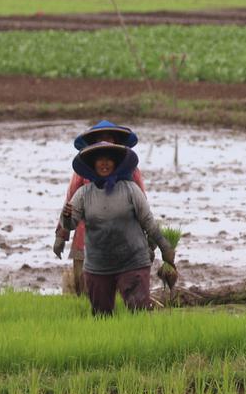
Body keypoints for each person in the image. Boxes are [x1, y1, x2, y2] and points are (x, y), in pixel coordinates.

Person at [59, 141, 175, 316]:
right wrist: (66, 217)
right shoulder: (84, 194)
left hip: (133, 261)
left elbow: (148, 221)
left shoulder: (130, 190)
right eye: (100, 160)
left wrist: (165, 248)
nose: (104, 163)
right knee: (101, 316)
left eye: (109, 160)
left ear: (116, 164)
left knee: (139, 313)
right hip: (98, 265)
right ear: (93, 164)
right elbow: (71, 224)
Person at [53, 121, 147, 295]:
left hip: (123, 240)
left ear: (117, 144)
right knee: (86, 288)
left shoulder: (131, 172)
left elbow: (142, 207)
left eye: (109, 139)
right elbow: (70, 204)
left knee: (123, 286)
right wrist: (61, 235)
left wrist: (147, 240)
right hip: (86, 238)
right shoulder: (82, 173)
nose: (104, 143)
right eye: (100, 140)